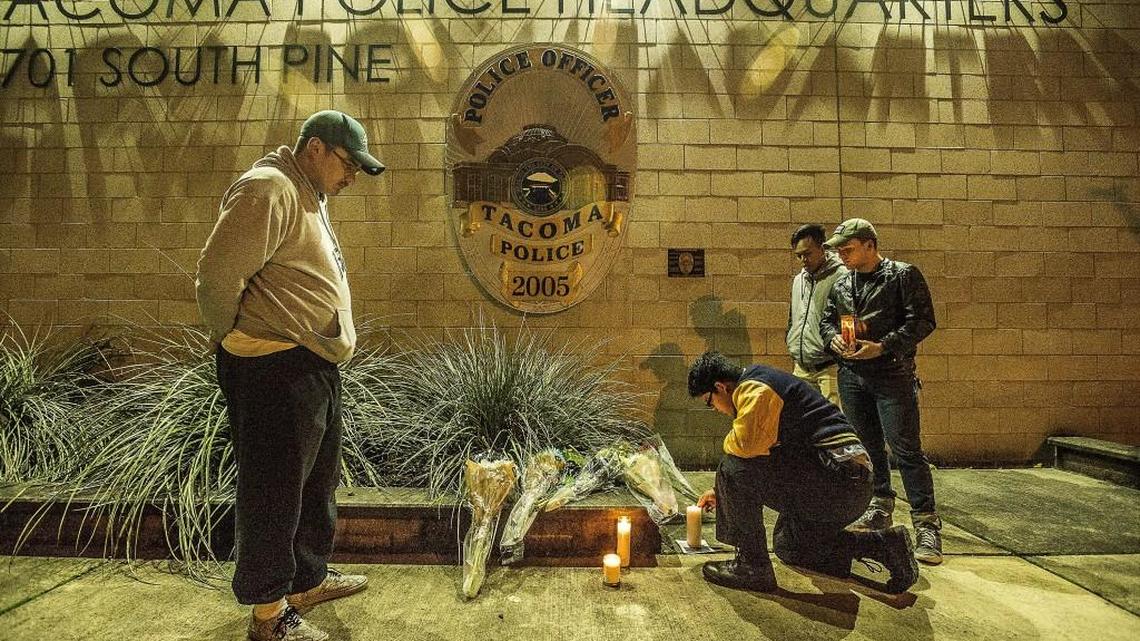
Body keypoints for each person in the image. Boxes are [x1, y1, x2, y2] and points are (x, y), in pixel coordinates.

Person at [196, 110, 385, 641]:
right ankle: (269, 615)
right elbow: (215, 279)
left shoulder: (308, 195)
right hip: (272, 366)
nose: (352, 178)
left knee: (314, 482)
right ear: (317, 149)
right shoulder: (268, 189)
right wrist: (236, 339)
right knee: (273, 489)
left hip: (309, 364)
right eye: (348, 164)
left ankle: (305, 580)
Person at [688, 351, 919, 594]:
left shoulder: (755, 389)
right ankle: (884, 545)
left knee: (731, 466)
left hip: (840, 480)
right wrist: (722, 492)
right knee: (789, 547)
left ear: (720, 387)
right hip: (846, 483)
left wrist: (726, 486)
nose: (715, 409)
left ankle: (751, 566)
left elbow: (744, 448)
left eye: (709, 401)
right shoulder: (760, 381)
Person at [819, 218, 943, 565]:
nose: (842, 255)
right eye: (839, 250)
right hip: (852, 375)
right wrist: (832, 341)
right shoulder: (842, 284)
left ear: (870, 245)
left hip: (892, 376)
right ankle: (879, 505)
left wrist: (884, 346)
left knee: (906, 449)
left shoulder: (903, 275)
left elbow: (922, 320)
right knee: (868, 446)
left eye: (848, 249)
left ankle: (927, 524)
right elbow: (826, 321)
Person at [786, 224, 846, 407]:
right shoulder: (799, 280)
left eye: (807, 253)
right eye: (799, 255)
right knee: (801, 424)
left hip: (829, 368)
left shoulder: (841, 276)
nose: (803, 260)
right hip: (802, 367)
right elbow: (793, 317)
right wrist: (792, 341)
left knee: (834, 425)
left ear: (823, 248)